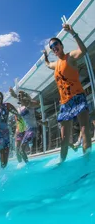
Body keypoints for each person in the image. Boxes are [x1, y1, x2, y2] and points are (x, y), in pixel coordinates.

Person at [43, 24, 91, 162]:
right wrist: (46, 57)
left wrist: (72, 32)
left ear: (61, 45)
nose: (54, 48)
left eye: (56, 44)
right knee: (64, 139)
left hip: (77, 97)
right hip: (65, 104)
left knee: (84, 129)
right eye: (51, 47)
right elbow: (47, 65)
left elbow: (83, 50)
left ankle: (87, 161)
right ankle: (61, 164)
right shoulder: (55, 64)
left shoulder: (69, 57)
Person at [9, 88, 48, 163]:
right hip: (26, 130)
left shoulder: (30, 104)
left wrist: (15, 96)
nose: (19, 97)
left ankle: (28, 165)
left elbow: (36, 103)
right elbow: (30, 119)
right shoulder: (21, 108)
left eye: (21, 95)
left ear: (25, 97)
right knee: (20, 150)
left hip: (32, 129)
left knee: (21, 149)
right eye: (19, 96)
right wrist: (42, 123)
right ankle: (26, 163)